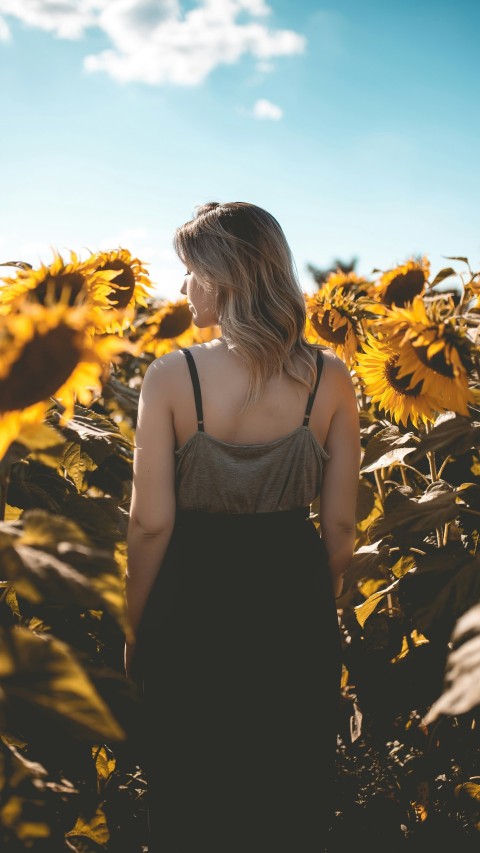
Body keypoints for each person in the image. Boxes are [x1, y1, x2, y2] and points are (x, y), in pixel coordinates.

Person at [125, 201, 361, 852]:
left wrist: (136, 624)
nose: (182, 288)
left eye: (190, 271)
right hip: (293, 596)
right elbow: (340, 523)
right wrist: (315, 601)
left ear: (223, 275)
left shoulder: (172, 377)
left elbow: (150, 523)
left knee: (188, 797)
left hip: (190, 599)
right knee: (290, 799)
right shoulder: (331, 378)